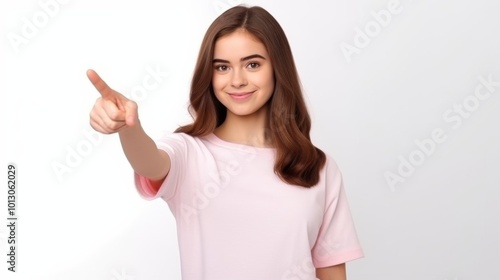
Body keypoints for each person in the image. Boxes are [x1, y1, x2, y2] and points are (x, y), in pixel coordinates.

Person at [87, 5, 363, 280]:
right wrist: (128, 127)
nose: (237, 80)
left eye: (252, 64)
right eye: (222, 67)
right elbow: (150, 162)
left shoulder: (318, 166)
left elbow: (332, 272)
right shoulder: (189, 152)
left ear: (277, 68)